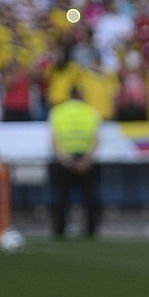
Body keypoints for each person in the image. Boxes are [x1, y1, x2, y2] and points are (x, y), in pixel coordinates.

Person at [49, 87, 102, 238]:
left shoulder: (58, 112)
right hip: (86, 160)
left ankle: (59, 230)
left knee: (61, 197)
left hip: (64, 161)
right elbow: (96, 139)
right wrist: (86, 160)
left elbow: (54, 140)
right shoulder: (91, 112)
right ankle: (91, 230)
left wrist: (66, 160)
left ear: (69, 96)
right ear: (82, 96)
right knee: (90, 197)